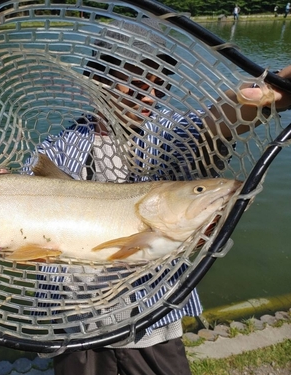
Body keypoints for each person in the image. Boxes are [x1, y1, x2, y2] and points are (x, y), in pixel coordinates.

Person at [24, 19, 291, 375]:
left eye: (155, 83)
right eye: (133, 81)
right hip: (78, 324)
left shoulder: (170, 135)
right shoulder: (57, 148)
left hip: (151, 320)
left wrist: (259, 100)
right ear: (97, 80)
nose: (146, 94)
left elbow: (217, 122)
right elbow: (23, 200)